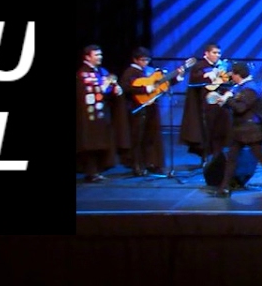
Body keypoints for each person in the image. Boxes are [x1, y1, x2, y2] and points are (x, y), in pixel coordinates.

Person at [211, 63, 262, 197]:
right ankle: (224, 188)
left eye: (233, 75)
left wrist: (228, 99)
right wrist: (224, 101)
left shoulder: (250, 89)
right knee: (232, 158)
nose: (232, 77)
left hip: (251, 130)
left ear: (237, 74)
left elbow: (241, 108)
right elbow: (235, 105)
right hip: (241, 130)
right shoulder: (241, 87)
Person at [119, 47, 178, 176]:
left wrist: (175, 78)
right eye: (142, 60)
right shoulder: (130, 72)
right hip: (137, 109)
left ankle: (152, 163)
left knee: (151, 137)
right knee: (138, 138)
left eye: (147, 60)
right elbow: (126, 88)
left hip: (151, 108)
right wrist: (145, 89)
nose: (145, 62)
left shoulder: (150, 71)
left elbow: (161, 84)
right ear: (135, 60)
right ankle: (137, 165)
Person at [76, 45, 125, 182]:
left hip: (102, 114)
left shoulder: (101, 71)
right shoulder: (83, 73)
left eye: (100, 55)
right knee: (91, 143)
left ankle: (98, 170)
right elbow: (91, 93)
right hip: (89, 116)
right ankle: (91, 172)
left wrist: (115, 88)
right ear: (87, 57)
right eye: (96, 55)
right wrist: (104, 86)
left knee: (101, 142)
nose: (100, 57)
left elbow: (109, 88)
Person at [180, 42, 232, 163]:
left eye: (219, 53)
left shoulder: (221, 67)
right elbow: (196, 81)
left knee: (221, 130)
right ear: (206, 53)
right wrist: (210, 75)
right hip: (204, 106)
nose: (217, 55)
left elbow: (224, 82)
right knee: (207, 131)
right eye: (214, 53)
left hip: (219, 104)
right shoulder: (199, 66)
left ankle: (218, 156)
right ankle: (206, 157)